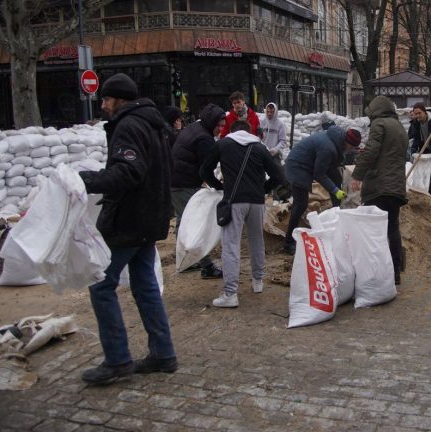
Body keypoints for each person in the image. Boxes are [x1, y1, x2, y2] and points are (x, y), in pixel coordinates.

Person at [78, 73, 177, 384]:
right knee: (145, 283)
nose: (104, 105)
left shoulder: (128, 126)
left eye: (106, 99)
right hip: (150, 216)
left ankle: (118, 359)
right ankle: (163, 354)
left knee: (101, 284)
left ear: (119, 99)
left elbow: (128, 172)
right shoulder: (153, 123)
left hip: (129, 220)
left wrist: (87, 180)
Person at [199, 120, 285, 307]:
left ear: (231, 131)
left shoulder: (222, 144)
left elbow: (204, 170)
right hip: (256, 202)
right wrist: (263, 189)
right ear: (249, 131)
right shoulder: (260, 147)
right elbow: (279, 176)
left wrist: (219, 186)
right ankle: (258, 281)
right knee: (256, 240)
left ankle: (230, 294)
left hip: (234, 201)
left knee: (231, 245)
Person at [350, 95, 408, 285]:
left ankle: (377, 271)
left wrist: (357, 175)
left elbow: (371, 151)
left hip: (379, 186)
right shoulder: (398, 126)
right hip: (396, 186)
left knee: (375, 231)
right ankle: (396, 272)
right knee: (392, 228)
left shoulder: (379, 124)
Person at [282, 126, 362, 254]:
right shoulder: (328, 148)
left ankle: (337, 214)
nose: (351, 150)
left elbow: (331, 165)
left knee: (336, 176)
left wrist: (336, 188)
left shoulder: (339, 139)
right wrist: (335, 190)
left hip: (309, 162)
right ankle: (288, 242)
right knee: (301, 204)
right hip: (297, 166)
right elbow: (319, 174)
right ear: (347, 142)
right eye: (351, 148)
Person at [170, 103, 226, 279]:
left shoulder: (195, 128)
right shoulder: (204, 139)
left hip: (174, 181)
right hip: (184, 183)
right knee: (196, 224)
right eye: (219, 125)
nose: (221, 129)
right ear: (212, 123)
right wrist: (218, 186)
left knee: (183, 220)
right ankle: (207, 266)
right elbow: (205, 170)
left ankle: (185, 260)